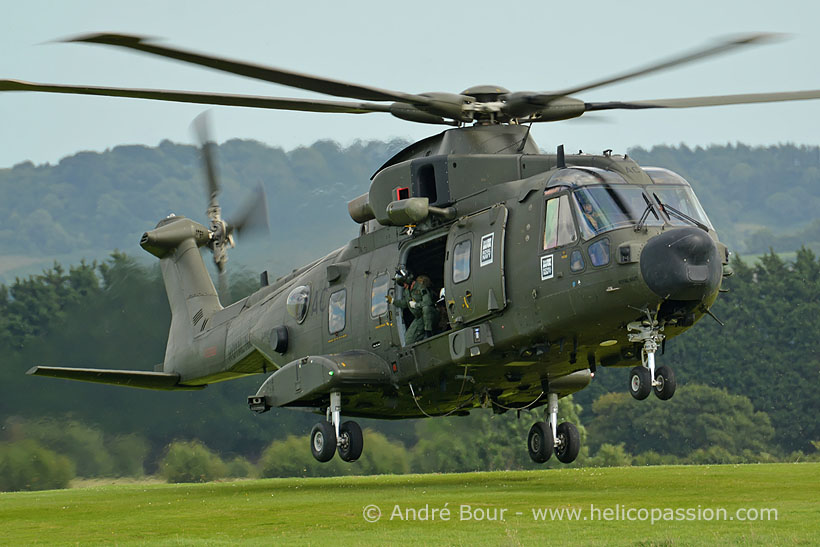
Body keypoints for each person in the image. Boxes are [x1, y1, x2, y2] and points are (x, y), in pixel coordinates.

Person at [388, 271, 436, 344]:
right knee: (408, 340)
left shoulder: (421, 287)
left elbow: (428, 302)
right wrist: (393, 301)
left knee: (426, 308)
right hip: (420, 318)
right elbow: (405, 303)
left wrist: (416, 305)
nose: (404, 286)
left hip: (431, 314)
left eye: (403, 284)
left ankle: (428, 332)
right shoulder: (407, 291)